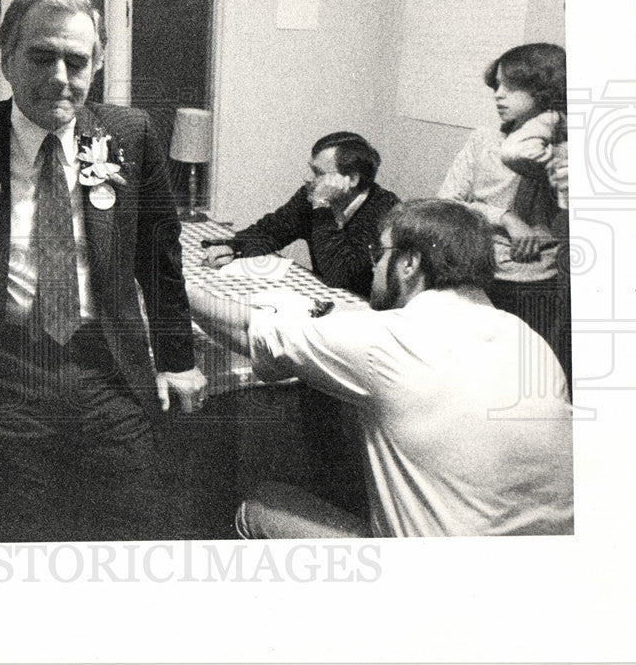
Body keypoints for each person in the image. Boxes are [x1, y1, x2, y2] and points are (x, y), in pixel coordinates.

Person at [0, 0, 207, 542]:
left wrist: (177, 358)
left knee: (132, 528)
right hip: (2, 373)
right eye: (42, 57)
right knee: (14, 533)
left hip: (106, 369)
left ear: (96, 64)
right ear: (7, 56)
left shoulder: (129, 135)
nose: (61, 78)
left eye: (77, 60)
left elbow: (159, 261)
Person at [192, 199, 574, 537]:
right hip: (542, 572)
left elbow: (250, 330)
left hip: (434, 586)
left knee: (258, 503)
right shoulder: (529, 339)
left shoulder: (385, 340)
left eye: (379, 253)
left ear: (408, 264)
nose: (374, 267)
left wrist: (175, 286)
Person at [438, 42, 569, 379]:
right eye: (496, 85)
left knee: (525, 375)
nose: (498, 95)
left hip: (538, 282)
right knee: (470, 371)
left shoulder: (562, 152)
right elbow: (448, 203)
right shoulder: (482, 140)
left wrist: (553, 124)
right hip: (480, 272)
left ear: (543, 91)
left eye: (511, 87)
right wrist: (506, 218)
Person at [203, 132, 400, 298]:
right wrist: (234, 247)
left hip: (368, 313)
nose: (307, 178)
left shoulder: (386, 212)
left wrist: (322, 206)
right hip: (326, 300)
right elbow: (272, 231)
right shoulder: (310, 196)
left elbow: (340, 276)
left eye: (317, 172)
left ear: (352, 179)